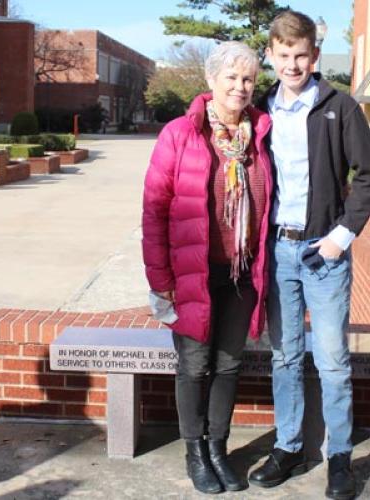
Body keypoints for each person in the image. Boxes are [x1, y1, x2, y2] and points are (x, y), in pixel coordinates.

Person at [248, 10, 370, 500]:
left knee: (331, 360)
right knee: (284, 357)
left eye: (301, 54)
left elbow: (368, 176)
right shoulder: (261, 112)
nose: (292, 63)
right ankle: (287, 448)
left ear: (315, 56)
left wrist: (341, 237)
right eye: (283, 55)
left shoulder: (339, 107)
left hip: (324, 251)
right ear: (271, 56)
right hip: (278, 250)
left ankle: (339, 457)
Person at [142, 41, 272, 494]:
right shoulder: (180, 133)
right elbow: (155, 210)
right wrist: (161, 281)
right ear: (211, 80)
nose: (240, 87)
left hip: (241, 273)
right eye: (232, 77)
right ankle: (195, 451)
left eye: (248, 79)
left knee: (229, 364)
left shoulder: (258, 135)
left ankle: (219, 448)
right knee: (194, 367)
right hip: (191, 274)